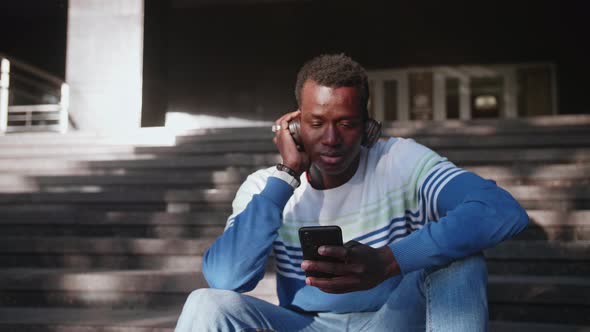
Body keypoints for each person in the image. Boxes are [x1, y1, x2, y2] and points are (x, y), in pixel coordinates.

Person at [175, 54, 529, 331]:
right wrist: (288, 175)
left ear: (367, 127)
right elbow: (226, 278)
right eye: (316, 123)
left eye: (346, 123)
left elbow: (499, 210)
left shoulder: (398, 160)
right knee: (206, 303)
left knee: (462, 259)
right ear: (295, 127)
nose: (331, 139)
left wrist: (388, 261)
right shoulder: (266, 186)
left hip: (391, 320)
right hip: (304, 325)